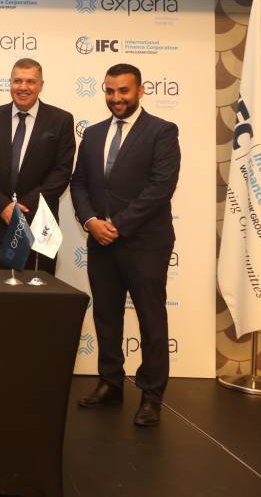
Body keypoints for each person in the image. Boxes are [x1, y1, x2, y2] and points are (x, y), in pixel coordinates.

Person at [70, 63, 180, 427]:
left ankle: (151, 395)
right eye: (110, 90)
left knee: (151, 319)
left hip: (145, 243)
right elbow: (79, 183)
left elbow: (161, 187)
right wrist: (90, 221)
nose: (116, 98)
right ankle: (110, 382)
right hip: (100, 241)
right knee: (106, 315)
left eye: (123, 91)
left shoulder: (162, 131)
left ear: (140, 90)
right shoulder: (93, 134)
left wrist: (117, 225)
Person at [0, 58, 75, 273]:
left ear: (41, 85)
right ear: (10, 83)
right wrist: (3, 206)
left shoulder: (61, 120)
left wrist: (24, 207)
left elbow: (62, 171)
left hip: (38, 223)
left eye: (30, 81)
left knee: (36, 290)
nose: (23, 87)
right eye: (17, 81)